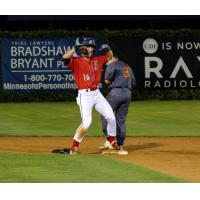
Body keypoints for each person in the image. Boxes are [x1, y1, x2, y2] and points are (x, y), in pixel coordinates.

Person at [54, 37, 120, 155]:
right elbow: (64, 58)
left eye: (92, 47)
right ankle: (74, 148)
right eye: (88, 46)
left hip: (97, 93)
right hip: (84, 95)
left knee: (111, 116)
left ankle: (112, 142)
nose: (91, 49)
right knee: (86, 123)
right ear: (83, 48)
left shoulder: (97, 59)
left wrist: (108, 49)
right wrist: (75, 48)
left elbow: (110, 56)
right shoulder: (76, 61)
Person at [100, 55, 136, 155]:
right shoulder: (128, 67)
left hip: (115, 93)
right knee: (121, 120)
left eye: (108, 59)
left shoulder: (112, 64)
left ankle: (110, 141)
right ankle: (120, 145)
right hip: (127, 94)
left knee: (105, 114)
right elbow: (133, 83)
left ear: (113, 59)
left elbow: (107, 80)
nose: (107, 62)